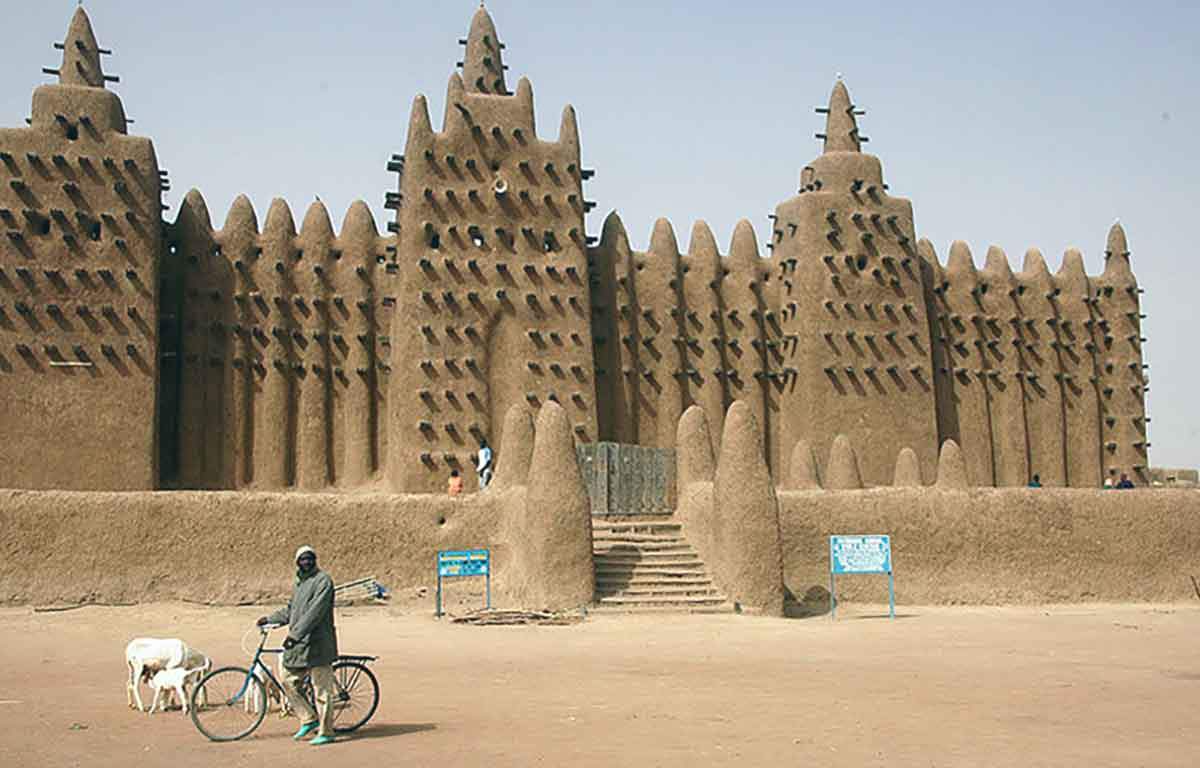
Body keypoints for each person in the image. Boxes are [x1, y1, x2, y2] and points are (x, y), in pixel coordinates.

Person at [257, 546, 339, 746]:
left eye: (309, 558)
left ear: (315, 560)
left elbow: (315, 613)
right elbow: (290, 611)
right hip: (301, 645)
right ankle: (308, 718)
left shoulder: (323, 581)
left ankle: (327, 731)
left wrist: (294, 635)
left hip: (319, 644)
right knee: (287, 681)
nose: (306, 562)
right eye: (302, 559)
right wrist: (269, 619)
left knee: (322, 690)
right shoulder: (299, 584)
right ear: (297, 562)